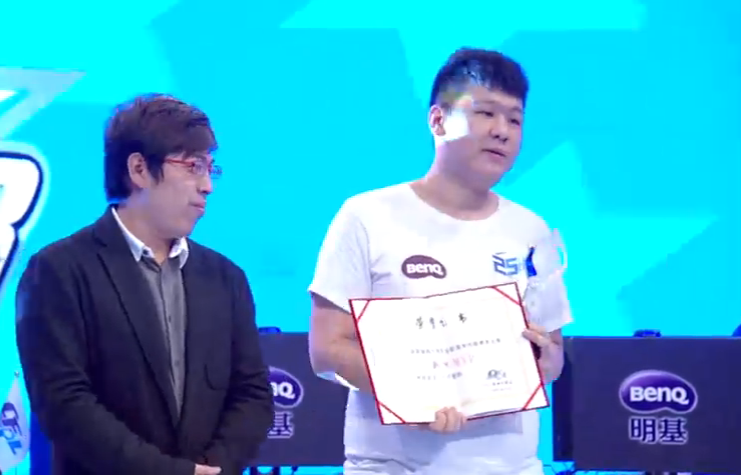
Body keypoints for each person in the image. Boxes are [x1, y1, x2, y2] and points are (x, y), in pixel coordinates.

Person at [308, 48, 573, 474]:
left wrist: (544, 361)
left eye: (515, 119)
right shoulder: (367, 216)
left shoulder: (531, 231)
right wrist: (412, 398)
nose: (502, 131)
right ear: (438, 120)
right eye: (485, 113)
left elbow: (554, 354)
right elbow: (327, 349)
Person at [15, 94, 274, 475]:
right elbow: (65, 403)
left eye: (211, 169)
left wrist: (213, 468)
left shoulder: (225, 278)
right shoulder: (59, 271)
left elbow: (253, 394)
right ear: (138, 169)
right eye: (193, 166)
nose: (207, 186)